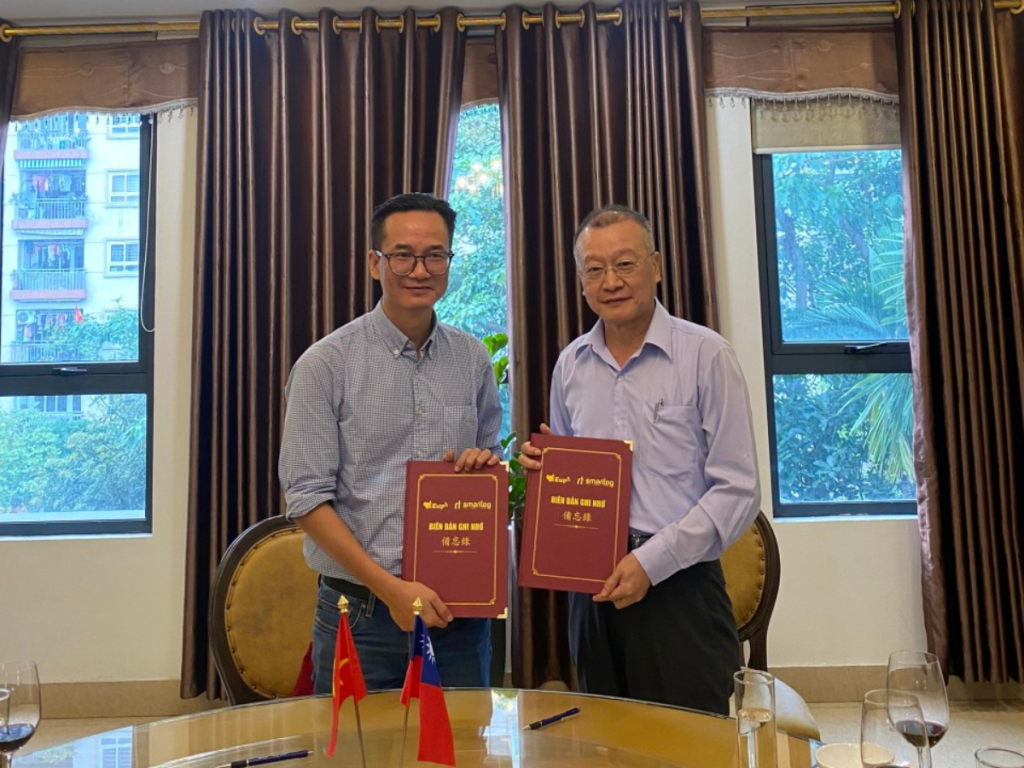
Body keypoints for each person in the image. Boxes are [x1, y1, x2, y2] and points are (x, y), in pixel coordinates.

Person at [520, 205, 760, 713]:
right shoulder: (570, 365)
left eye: (625, 264)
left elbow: (738, 490)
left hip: (679, 588)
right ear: (581, 280)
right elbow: (569, 475)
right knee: (604, 737)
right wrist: (547, 471)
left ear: (655, 266)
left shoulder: (706, 355)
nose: (611, 281)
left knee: (690, 741)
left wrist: (651, 563)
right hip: (592, 591)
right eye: (594, 269)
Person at [279, 192, 502, 693]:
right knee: (358, 739)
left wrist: (481, 464)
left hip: (457, 615)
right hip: (361, 615)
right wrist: (391, 590)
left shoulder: (472, 360)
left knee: (459, 738)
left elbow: (492, 464)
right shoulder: (325, 365)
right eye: (403, 255)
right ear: (375, 263)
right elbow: (306, 498)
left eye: (435, 255)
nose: (419, 270)